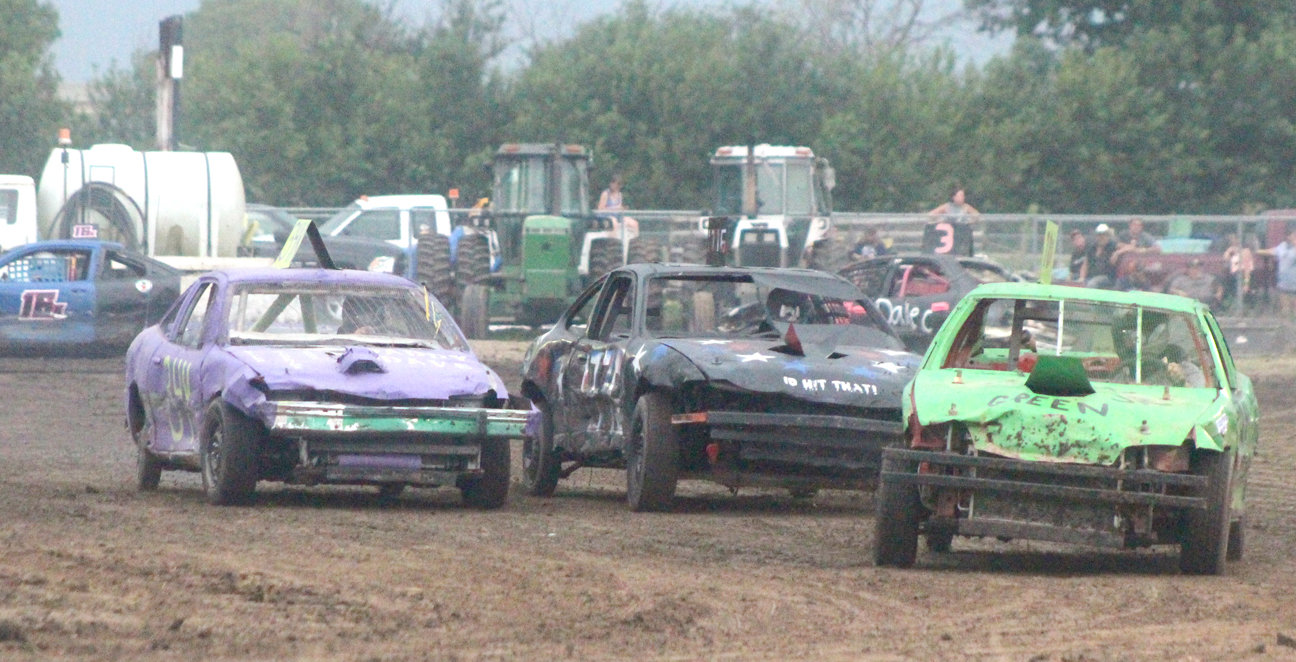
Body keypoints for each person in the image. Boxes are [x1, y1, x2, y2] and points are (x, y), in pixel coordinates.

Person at [1269, 227, 1296, 314]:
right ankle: (1286, 323)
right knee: (1285, 308)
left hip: (1294, 282)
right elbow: (1274, 251)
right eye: (1293, 235)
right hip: (1283, 281)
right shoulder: (1283, 246)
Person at [1084, 224, 1119, 288]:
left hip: (1108, 277)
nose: (1101, 237)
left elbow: (1129, 247)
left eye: (1104, 234)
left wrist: (1117, 253)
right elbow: (1086, 264)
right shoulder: (1092, 248)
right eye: (1099, 234)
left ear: (1108, 236)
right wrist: (1081, 277)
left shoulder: (1113, 246)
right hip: (1092, 276)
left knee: (1092, 284)